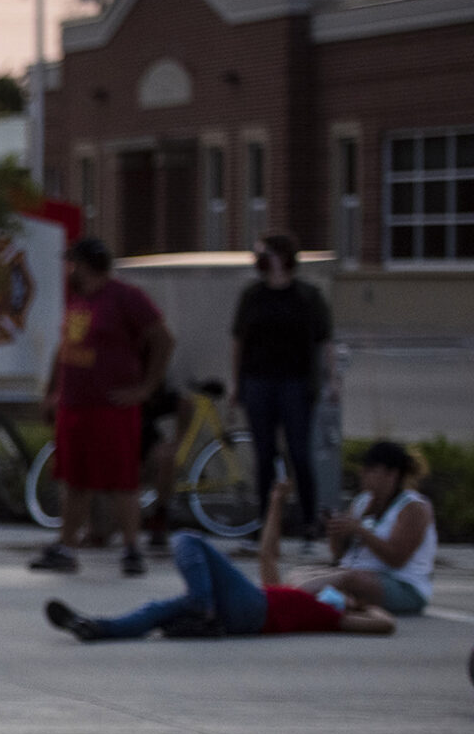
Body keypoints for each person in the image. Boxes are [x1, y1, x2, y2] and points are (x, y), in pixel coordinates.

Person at [44, 478, 395, 642]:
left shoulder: (332, 616)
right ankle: (93, 627)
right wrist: (275, 502)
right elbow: (267, 556)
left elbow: (386, 625)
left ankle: (202, 608)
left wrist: (361, 607)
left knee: (187, 539)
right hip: (246, 608)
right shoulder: (302, 596)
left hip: (252, 609)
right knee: (154, 611)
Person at [32, 238, 174, 577]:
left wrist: (145, 388)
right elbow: (64, 347)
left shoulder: (126, 298)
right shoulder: (79, 300)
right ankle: (66, 547)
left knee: (121, 480)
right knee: (74, 480)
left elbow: (163, 339)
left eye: (73, 263)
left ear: (87, 264)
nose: (69, 270)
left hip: (111, 408)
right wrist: (53, 391)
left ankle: (131, 549)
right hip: (75, 405)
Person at [232, 233, 335, 537]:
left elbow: (324, 340)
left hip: (296, 382)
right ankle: (265, 520)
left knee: (299, 451)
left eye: (265, 254)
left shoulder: (307, 296)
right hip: (259, 381)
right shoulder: (253, 295)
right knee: (264, 453)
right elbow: (238, 341)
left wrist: (331, 380)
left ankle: (308, 519)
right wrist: (237, 383)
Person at [324, 440, 437, 619]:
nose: (363, 474)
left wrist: (360, 530)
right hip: (356, 575)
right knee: (308, 573)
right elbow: (339, 556)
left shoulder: (414, 507)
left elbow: (396, 558)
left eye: (371, 469)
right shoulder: (362, 502)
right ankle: (315, 596)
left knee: (350, 580)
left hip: (403, 586)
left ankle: (306, 597)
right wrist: (336, 535)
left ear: (392, 474)